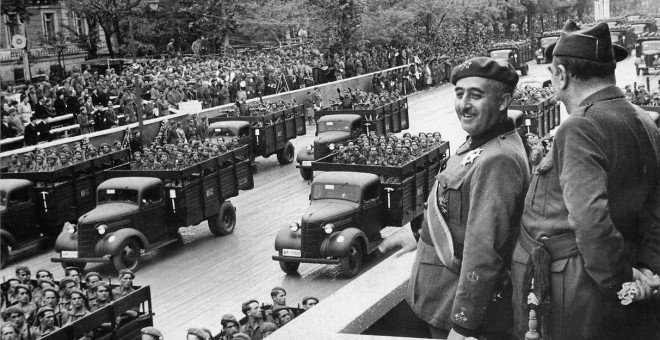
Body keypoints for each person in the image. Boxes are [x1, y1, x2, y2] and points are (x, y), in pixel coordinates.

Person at [512, 21, 660, 340]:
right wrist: (646, 269)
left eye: (553, 74)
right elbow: (655, 206)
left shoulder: (579, 127)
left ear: (562, 75)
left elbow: (591, 221)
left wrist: (621, 280)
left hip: (579, 288)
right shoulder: (645, 119)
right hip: (628, 271)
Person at [379, 57, 530, 340]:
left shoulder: (497, 159)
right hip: (438, 299)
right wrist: (419, 233)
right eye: (459, 94)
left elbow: (484, 251)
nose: (464, 104)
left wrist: (463, 325)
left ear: (502, 101)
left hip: (454, 314)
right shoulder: (480, 144)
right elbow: (457, 211)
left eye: (476, 95)